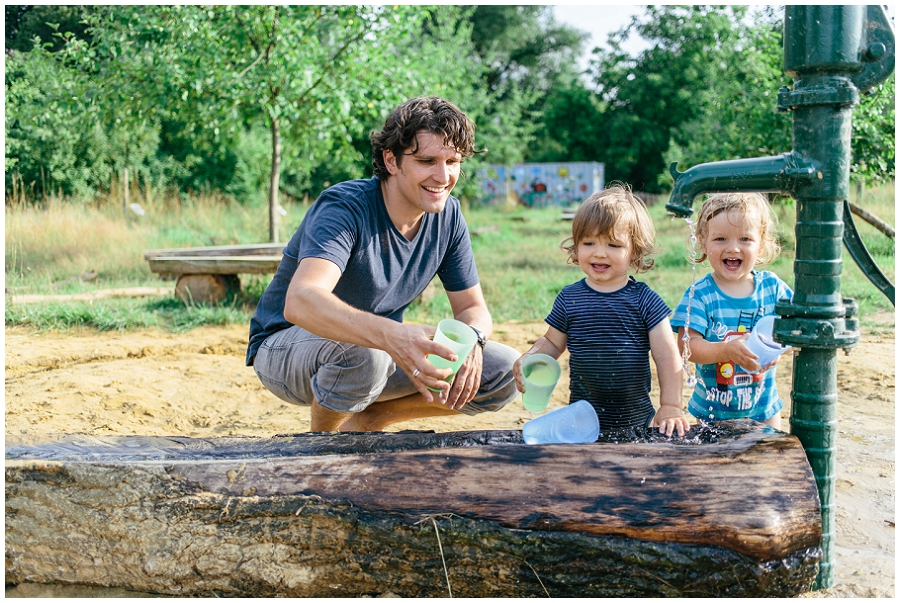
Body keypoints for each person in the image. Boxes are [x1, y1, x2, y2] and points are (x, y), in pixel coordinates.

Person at [246, 96, 519, 432]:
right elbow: (301, 301)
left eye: (453, 161)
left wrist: (474, 339)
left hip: (377, 352)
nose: (443, 175)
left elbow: (472, 308)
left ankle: (371, 419)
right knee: (365, 356)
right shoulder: (345, 207)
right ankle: (322, 446)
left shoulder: (448, 216)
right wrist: (392, 336)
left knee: (503, 370)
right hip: (285, 349)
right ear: (391, 160)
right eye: (427, 160)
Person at [513, 184, 690, 437]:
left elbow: (667, 355)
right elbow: (552, 343)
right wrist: (531, 356)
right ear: (576, 245)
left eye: (613, 245)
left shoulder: (645, 301)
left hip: (637, 422)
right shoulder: (569, 298)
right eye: (589, 242)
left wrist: (671, 405)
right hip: (583, 421)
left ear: (635, 251)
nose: (599, 253)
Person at [670, 192, 794, 430]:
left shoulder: (773, 288)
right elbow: (687, 347)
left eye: (745, 239)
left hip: (764, 409)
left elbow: (795, 327)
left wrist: (779, 351)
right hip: (712, 412)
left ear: (762, 243)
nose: (733, 247)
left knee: (765, 463)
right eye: (720, 239)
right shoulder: (701, 294)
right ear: (703, 242)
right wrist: (726, 350)